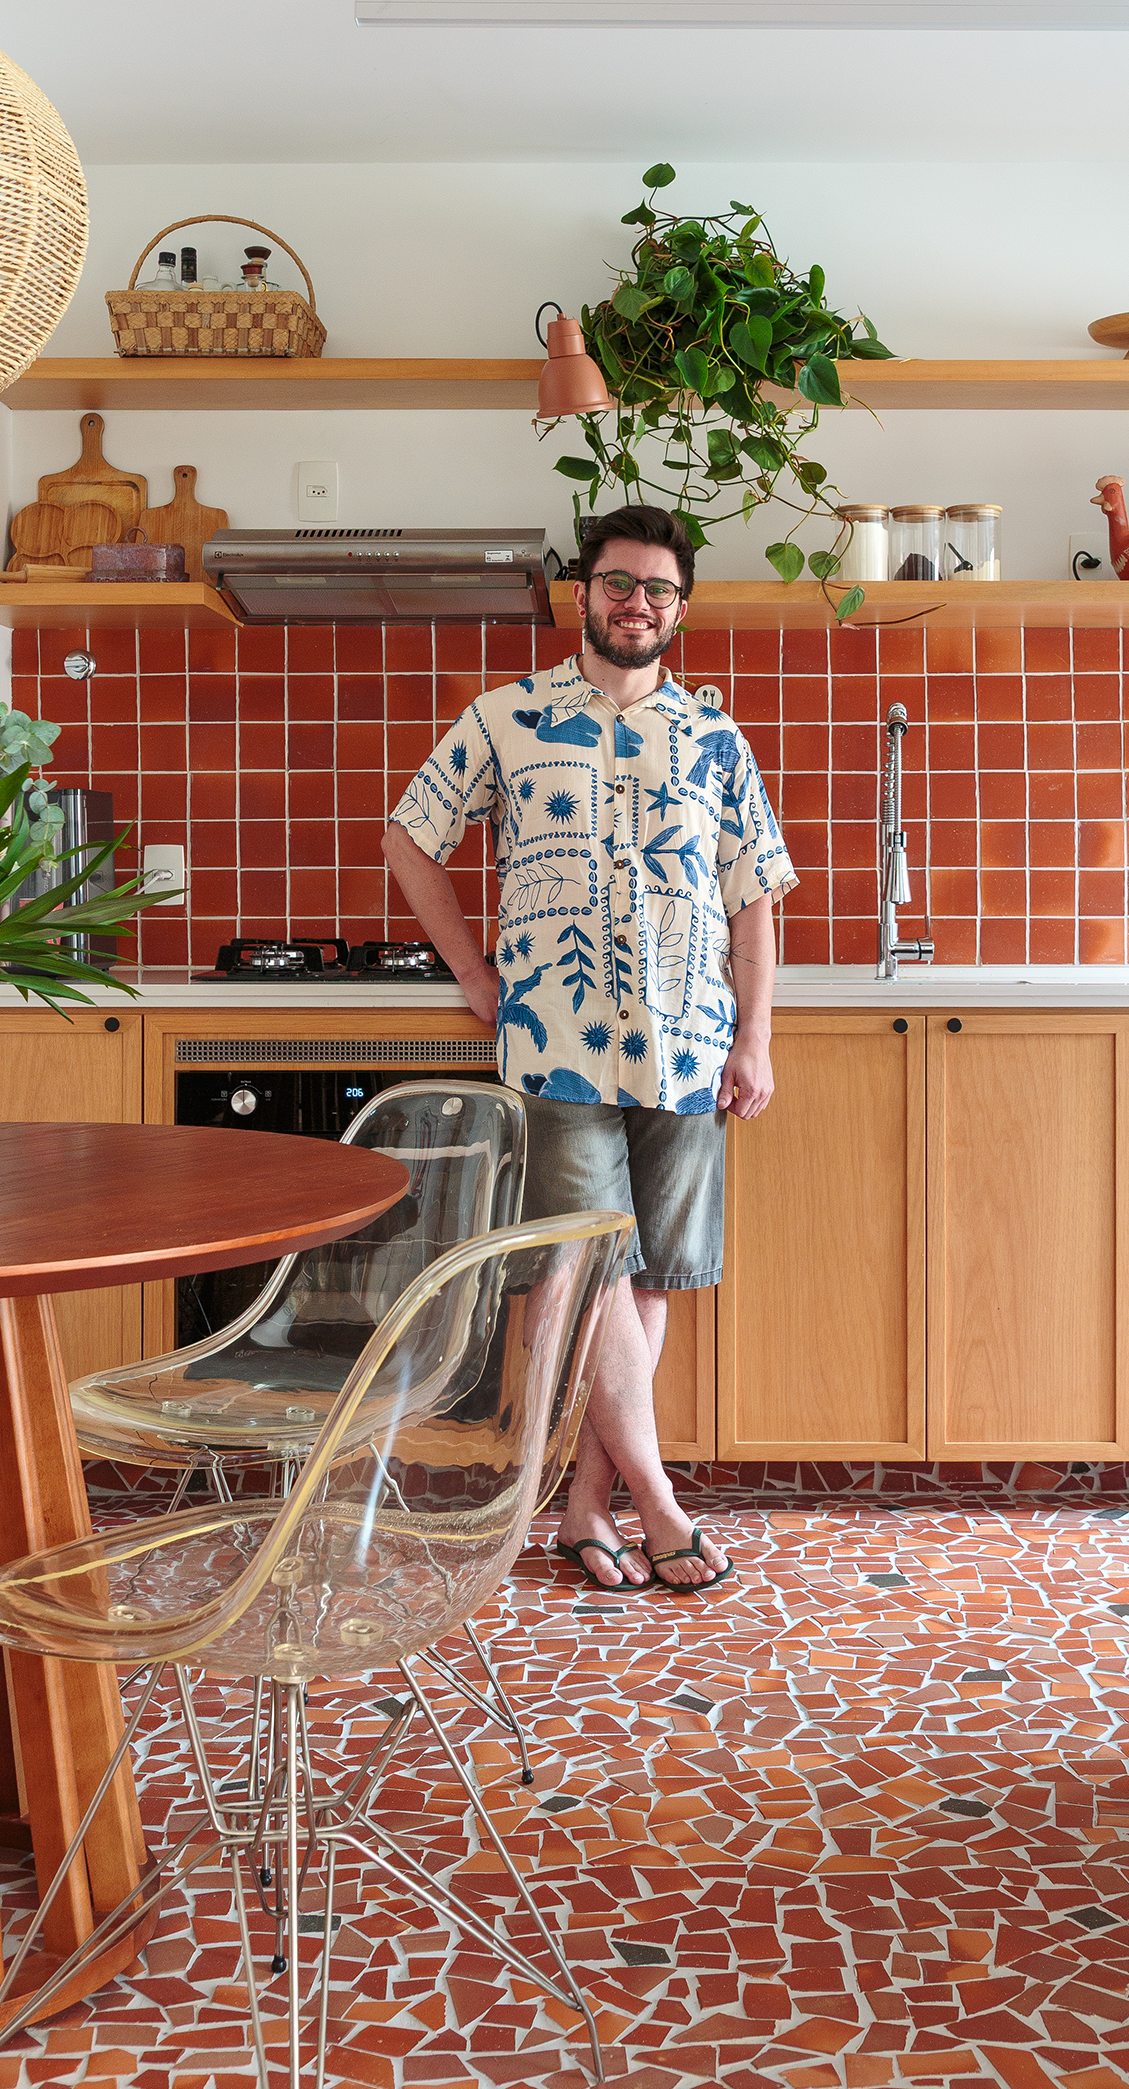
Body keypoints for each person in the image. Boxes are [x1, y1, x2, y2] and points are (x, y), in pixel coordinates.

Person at [383, 505, 795, 1594]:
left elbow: (755, 899)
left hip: (693, 1047)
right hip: (557, 1044)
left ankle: (585, 1508)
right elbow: (408, 836)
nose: (637, 604)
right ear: (583, 594)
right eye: (620, 583)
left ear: (680, 610)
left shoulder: (717, 739)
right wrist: (475, 974)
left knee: (651, 1275)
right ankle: (659, 1506)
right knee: (598, 1264)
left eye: (659, 590)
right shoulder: (505, 718)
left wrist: (755, 1036)